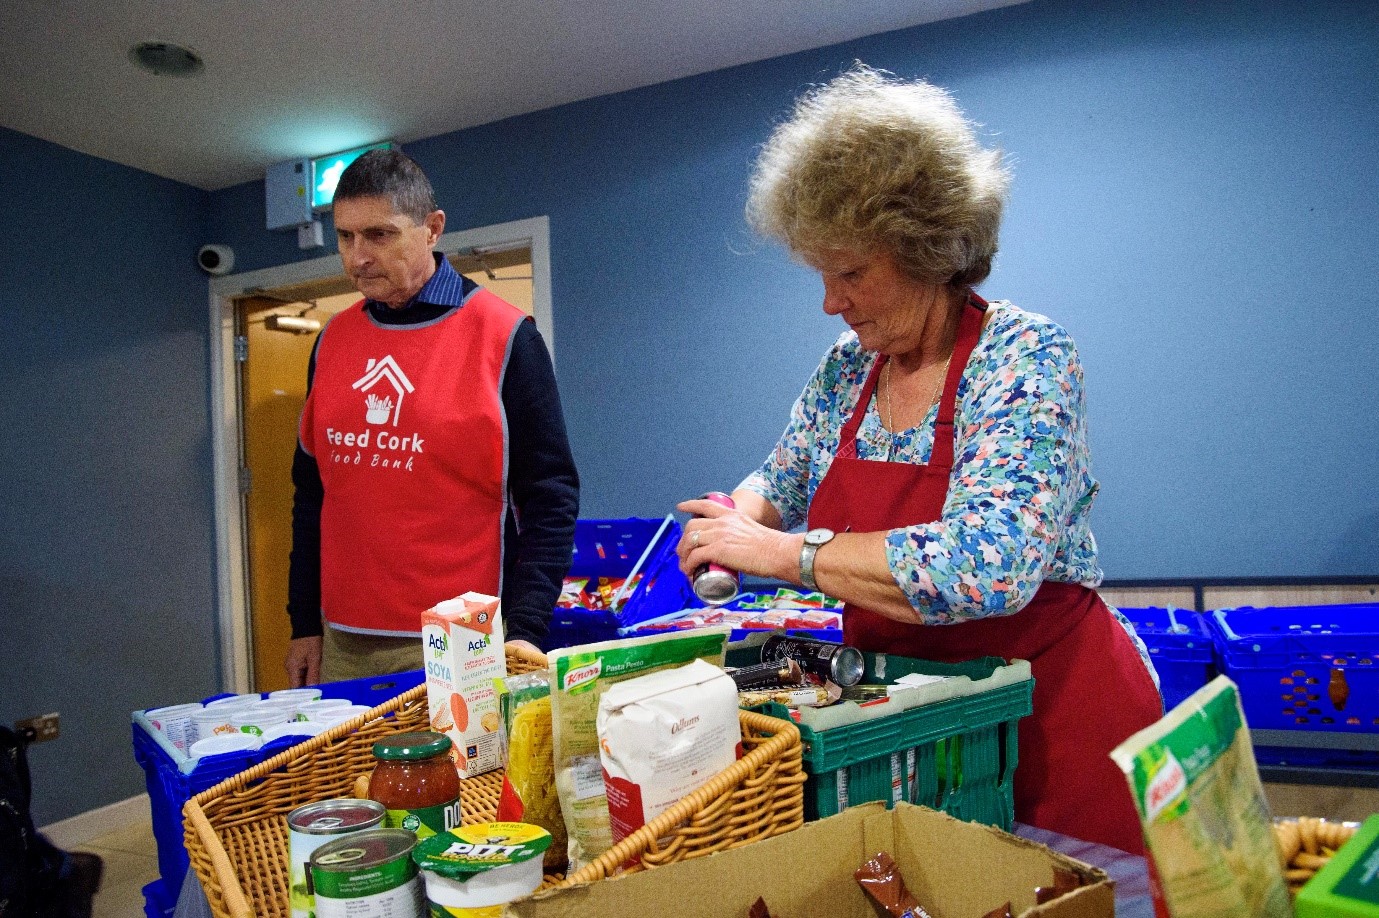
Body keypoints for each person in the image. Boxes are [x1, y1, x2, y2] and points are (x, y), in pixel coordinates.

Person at [676, 66, 1162, 855]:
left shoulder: (1024, 356)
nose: (830, 301)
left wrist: (780, 552)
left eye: (850, 272)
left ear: (927, 247)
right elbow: (783, 475)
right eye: (821, 274)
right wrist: (735, 518)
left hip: (1053, 723)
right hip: (902, 733)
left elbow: (990, 563)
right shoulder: (846, 368)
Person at [286, 149, 578, 685]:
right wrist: (303, 622)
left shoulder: (507, 336)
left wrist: (527, 629)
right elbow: (312, 495)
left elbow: (550, 495)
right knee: (345, 774)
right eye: (345, 237)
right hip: (343, 640)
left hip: (465, 639)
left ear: (432, 229)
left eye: (379, 235)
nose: (357, 257)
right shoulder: (331, 341)